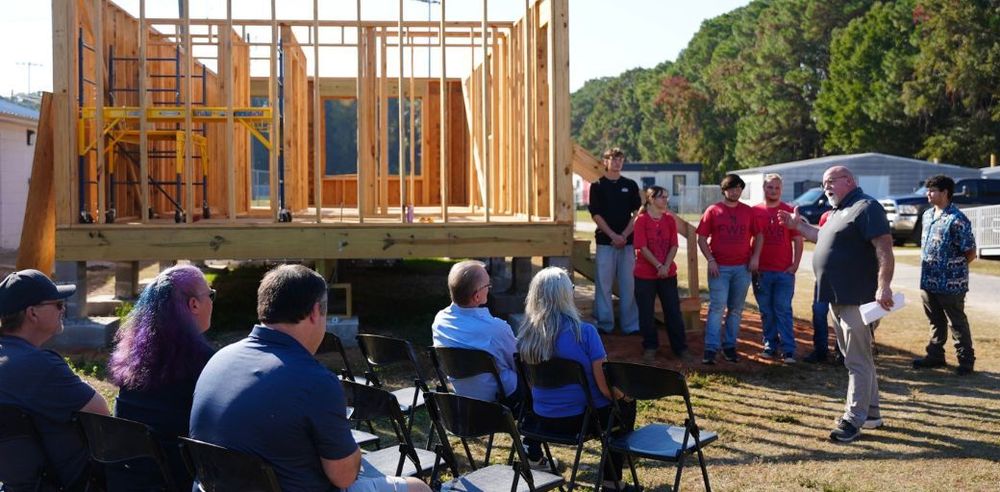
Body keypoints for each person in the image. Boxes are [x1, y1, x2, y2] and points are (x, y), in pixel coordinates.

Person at [190, 264, 430, 492]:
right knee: (418, 488)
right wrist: (351, 451)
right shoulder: (315, 381)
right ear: (316, 311)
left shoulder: (219, 360)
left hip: (218, 487)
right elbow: (344, 476)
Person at [778, 166, 894, 443]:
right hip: (836, 296)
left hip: (858, 298)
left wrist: (884, 285)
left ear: (849, 181)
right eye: (823, 183)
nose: (826, 187)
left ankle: (853, 419)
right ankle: (872, 414)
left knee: (855, 360)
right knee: (857, 357)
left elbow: (884, 248)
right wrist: (798, 226)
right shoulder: (838, 211)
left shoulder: (866, 207)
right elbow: (823, 237)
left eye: (831, 181)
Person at [516, 267, 637, 492]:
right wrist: (624, 396)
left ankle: (533, 453)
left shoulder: (526, 336)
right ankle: (611, 480)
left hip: (543, 418)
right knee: (622, 407)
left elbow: (531, 384)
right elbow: (604, 387)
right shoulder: (585, 333)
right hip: (581, 420)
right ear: (565, 295)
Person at [430, 260, 549, 468]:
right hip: (498, 400)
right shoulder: (495, 329)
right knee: (535, 385)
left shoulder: (440, 321)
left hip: (462, 396)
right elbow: (518, 364)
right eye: (488, 285)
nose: (490, 288)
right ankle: (532, 453)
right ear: (477, 296)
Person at [106, 265, 216, 490]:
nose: (212, 301)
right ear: (194, 304)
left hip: (132, 476)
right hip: (180, 478)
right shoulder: (205, 363)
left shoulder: (132, 359)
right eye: (210, 295)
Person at [0, 269, 111, 490]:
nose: (64, 309)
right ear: (32, 313)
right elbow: (101, 414)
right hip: (72, 483)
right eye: (58, 304)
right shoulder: (41, 366)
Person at [912, 175, 977, 375]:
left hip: (951, 283)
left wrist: (952, 269)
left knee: (956, 322)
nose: (928, 194)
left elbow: (970, 251)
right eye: (928, 190)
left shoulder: (957, 219)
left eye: (932, 191)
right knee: (935, 320)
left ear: (945, 193)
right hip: (928, 280)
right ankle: (935, 355)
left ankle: (966, 361)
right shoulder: (927, 215)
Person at [696, 174, 763, 365]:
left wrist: (755, 257)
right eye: (731, 188)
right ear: (724, 190)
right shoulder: (713, 210)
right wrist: (710, 260)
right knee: (717, 307)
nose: (735, 192)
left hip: (742, 268)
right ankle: (710, 349)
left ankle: (729, 346)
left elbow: (759, 235)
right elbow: (701, 238)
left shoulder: (748, 211)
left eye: (739, 188)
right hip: (719, 268)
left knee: (736, 309)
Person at [588, 147, 641, 335]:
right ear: (605, 161)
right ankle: (605, 324)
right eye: (614, 159)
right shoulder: (597, 186)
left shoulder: (630, 185)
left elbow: (637, 213)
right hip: (605, 243)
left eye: (620, 159)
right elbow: (596, 214)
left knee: (629, 285)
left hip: (627, 243)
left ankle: (630, 326)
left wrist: (624, 236)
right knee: (603, 285)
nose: (618, 162)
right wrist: (613, 235)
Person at [632, 186, 688, 363]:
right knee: (646, 313)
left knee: (673, 311)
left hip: (667, 274)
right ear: (651, 199)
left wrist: (666, 266)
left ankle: (680, 348)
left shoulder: (669, 219)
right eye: (661, 197)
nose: (665, 200)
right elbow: (642, 247)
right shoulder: (641, 220)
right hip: (645, 275)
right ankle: (650, 346)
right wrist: (658, 265)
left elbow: (674, 245)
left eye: (666, 196)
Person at [751, 174, 802, 364]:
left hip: (783, 272)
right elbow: (748, 238)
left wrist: (795, 265)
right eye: (770, 187)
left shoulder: (788, 211)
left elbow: (798, 240)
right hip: (761, 271)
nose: (773, 191)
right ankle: (770, 346)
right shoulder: (754, 211)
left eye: (777, 188)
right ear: (764, 188)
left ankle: (788, 350)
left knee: (783, 309)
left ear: (781, 189)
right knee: (766, 310)